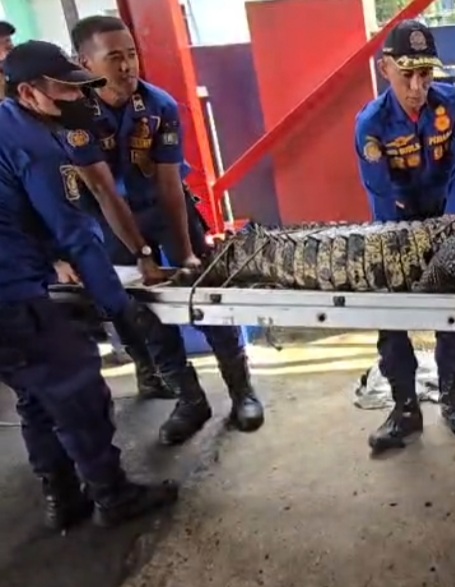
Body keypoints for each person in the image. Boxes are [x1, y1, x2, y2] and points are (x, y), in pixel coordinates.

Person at [0, 39, 178, 530]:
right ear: (29, 93)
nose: (78, 99)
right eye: (65, 91)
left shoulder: (7, 127)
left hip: (13, 290)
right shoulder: (38, 145)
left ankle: (61, 497)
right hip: (14, 297)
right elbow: (74, 233)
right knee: (77, 390)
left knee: (36, 397)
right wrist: (118, 307)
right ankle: (112, 495)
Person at [67, 15, 264, 446]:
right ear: (85, 63)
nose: (127, 66)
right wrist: (143, 256)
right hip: (112, 220)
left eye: (131, 54)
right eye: (114, 57)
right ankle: (190, 400)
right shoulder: (75, 117)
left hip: (165, 208)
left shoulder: (159, 106)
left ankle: (242, 391)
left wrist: (186, 251)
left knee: (206, 294)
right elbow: (103, 192)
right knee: (144, 310)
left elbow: (170, 183)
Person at [354, 19, 455, 453]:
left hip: (446, 218)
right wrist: (408, 247)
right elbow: (381, 191)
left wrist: (449, 223)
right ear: (384, 68)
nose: (417, 86)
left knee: (454, 311)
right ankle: (405, 409)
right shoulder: (371, 124)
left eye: (425, 74)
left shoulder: (454, 105)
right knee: (391, 315)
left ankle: (453, 398)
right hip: (395, 226)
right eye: (406, 74)